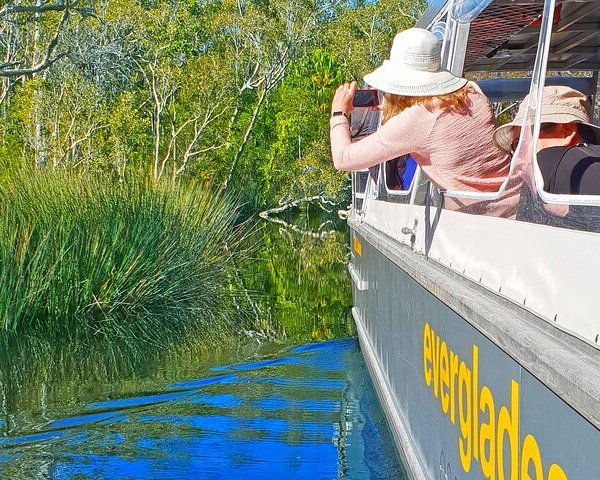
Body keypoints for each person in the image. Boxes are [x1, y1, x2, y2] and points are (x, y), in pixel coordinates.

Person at [330, 28, 516, 216]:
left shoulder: (417, 119)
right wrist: (397, 108)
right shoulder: (472, 91)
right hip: (519, 203)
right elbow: (440, 122)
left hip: (479, 219)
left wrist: (338, 113)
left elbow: (343, 158)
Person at [492, 85, 600, 195]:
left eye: (521, 142)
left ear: (566, 131)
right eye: (515, 147)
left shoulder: (560, 164)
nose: (517, 159)